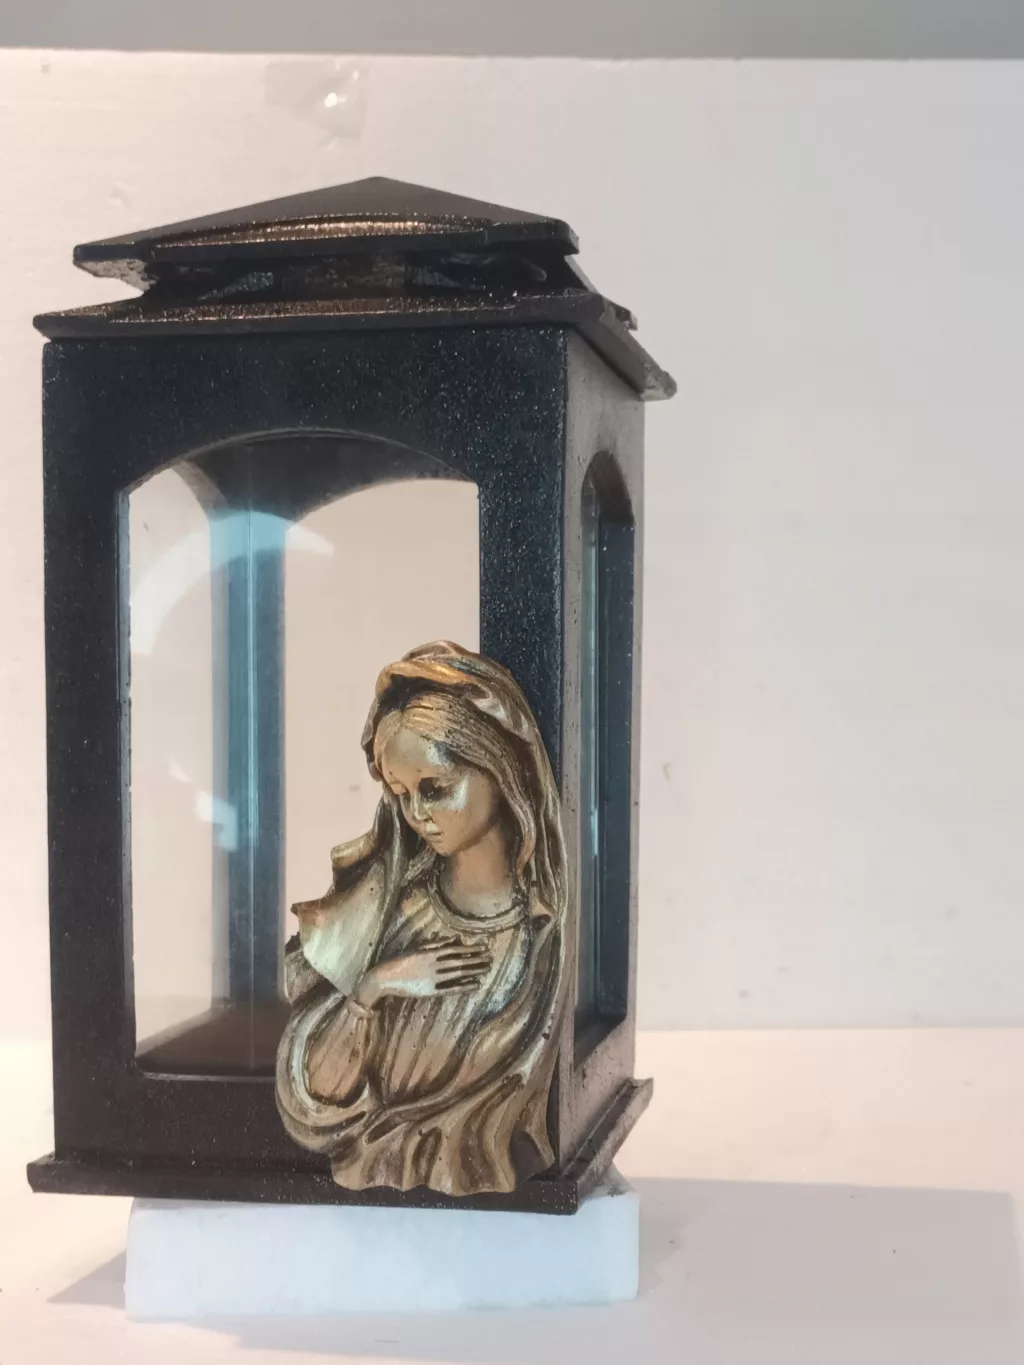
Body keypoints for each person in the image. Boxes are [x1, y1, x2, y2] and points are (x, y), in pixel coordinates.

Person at [276, 640, 567, 1196]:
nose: (417, 816)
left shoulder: (541, 940)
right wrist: (375, 987)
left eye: (436, 790)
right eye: (401, 793)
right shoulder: (388, 915)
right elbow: (317, 1091)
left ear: (499, 770)